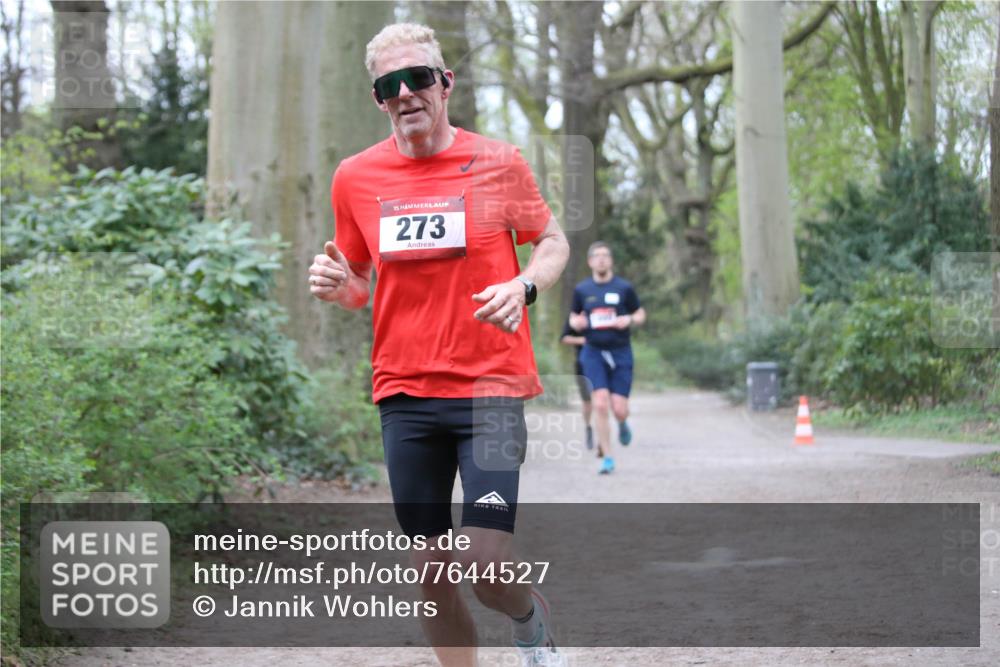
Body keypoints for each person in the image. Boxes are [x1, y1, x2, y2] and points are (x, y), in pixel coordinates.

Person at [307, 23, 570, 667]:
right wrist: (339, 285)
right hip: (405, 392)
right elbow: (360, 285)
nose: (405, 94)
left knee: (482, 561)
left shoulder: (499, 162)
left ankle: (529, 622)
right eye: (387, 86)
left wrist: (526, 285)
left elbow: (553, 242)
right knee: (429, 567)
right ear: (378, 98)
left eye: (417, 78)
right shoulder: (355, 177)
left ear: (444, 83)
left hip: (492, 389)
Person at [569, 241, 646, 475]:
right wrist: (577, 323)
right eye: (597, 256)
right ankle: (607, 457)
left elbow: (640, 313)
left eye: (605, 255)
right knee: (600, 403)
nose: (601, 259)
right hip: (592, 351)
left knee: (619, 408)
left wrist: (630, 320)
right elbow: (573, 317)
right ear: (590, 261)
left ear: (610, 260)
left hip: (621, 351)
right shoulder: (582, 290)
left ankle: (622, 422)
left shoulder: (624, 288)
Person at [559, 318, 594, 451]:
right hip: (581, 364)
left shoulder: (600, 311)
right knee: (587, 401)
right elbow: (563, 338)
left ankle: (602, 435)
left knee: (600, 399)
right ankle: (588, 427)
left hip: (599, 362)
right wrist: (583, 340)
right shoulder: (575, 317)